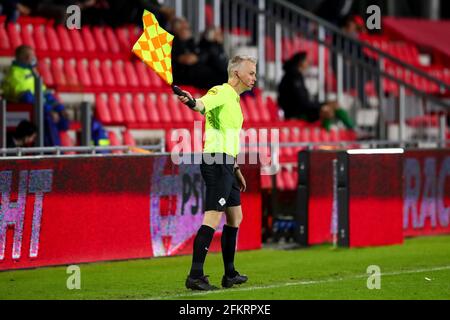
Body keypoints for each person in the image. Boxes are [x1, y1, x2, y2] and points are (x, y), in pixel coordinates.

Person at [174, 55, 257, 291]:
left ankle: (229, 274)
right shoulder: (221, 91)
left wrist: (236, 168)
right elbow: (200, 104)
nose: (254, 77)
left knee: (235, 217)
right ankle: (195, 275)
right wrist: (191, 101)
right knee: (212, 216)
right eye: (251, 72)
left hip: (227, 163)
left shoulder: (234, 100)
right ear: (237, 73)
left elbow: (228, 137)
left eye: (254, 73)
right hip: (216, 160)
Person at [1, 45, 70, 146]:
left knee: (63, 119)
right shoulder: (15, 74)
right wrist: (49, 110)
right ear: (27, 57)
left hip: (41, 107)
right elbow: (27, 98)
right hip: (28, 110)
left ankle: (58, 150)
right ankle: (51, 155)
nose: (34, 58)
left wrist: (60, 107)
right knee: (48, 118)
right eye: (33, 56)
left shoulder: (32, 72)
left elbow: (45, 93)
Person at [278, 51, 355, 131]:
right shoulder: (293, 77)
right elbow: (302, 102)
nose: (308, 63)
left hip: (302, 110)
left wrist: (321, 104)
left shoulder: (295, 76)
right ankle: (332, 135)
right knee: (327, 110)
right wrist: (321, 105)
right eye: (306, 61)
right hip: (297, 113)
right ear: (300, 62)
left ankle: (351, 131)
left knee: (333, 104)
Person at [171, 17, 228, 89]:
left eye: (188, 28)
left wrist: (213, 43)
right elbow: (187, 60)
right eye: (185, 28)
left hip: (197, 73)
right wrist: (201, 56)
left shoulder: (190, 42)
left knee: (222, 72)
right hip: (184, 76)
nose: (188, 30)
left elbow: (199, 52)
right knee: (220, 77)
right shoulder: (174, 42)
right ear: (176, 30)